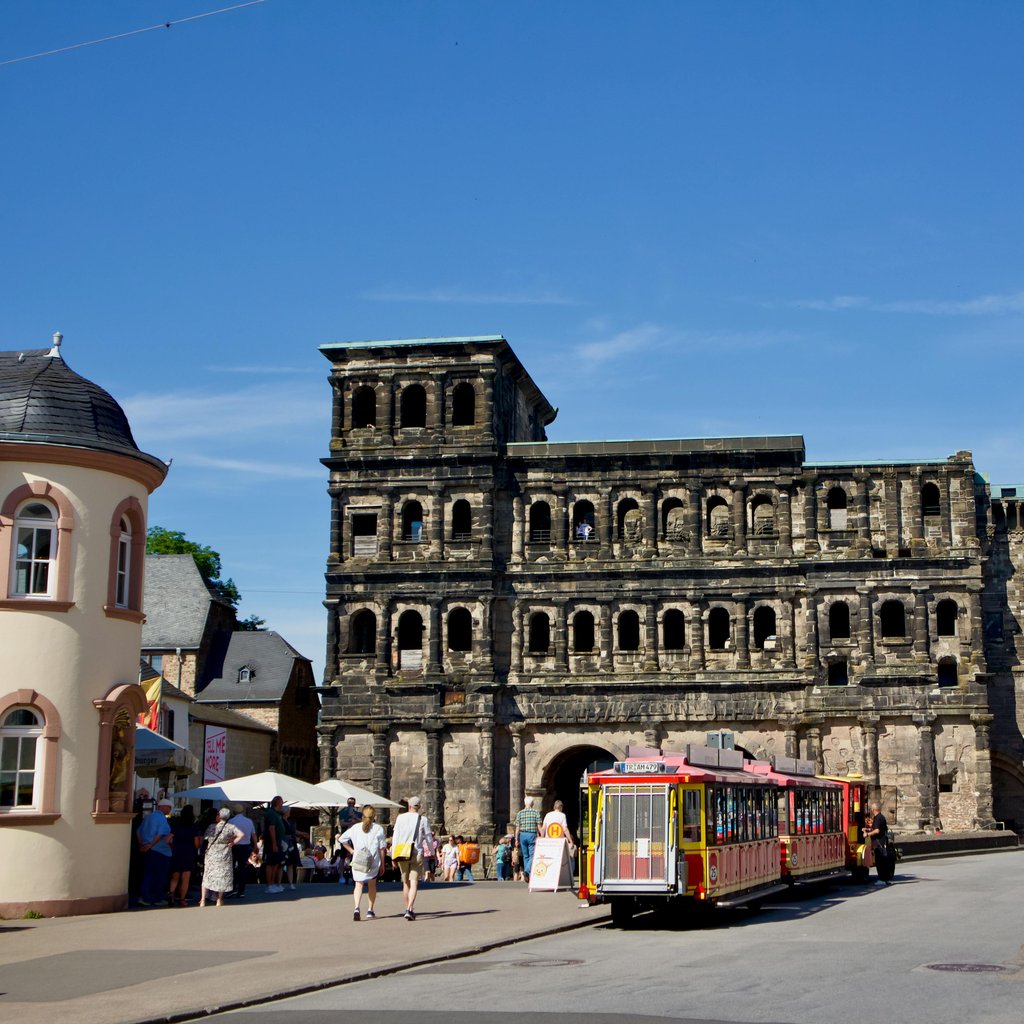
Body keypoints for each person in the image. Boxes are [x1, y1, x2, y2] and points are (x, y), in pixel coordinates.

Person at [389, 795, 434, 920]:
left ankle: (407, 909)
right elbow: (429, 838)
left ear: (409, 806)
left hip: (402, 852)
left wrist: (393, 855)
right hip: (416, 852)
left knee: (405, 883)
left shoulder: (400, 818)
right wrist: (432, 852)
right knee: (414, 882)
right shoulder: (423, 819)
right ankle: (410, 908)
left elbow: (396, 837)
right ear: (419, 807)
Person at [340, 804, 388, 921]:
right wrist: (382, 863)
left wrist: (352, 851)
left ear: (362, 815)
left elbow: (342, 839)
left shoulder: (356, 827)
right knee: (372, 884)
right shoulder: (378, 829)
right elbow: (382, 848)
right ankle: (370, 910)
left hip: (358, 859)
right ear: (374, 816)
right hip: (372, 860)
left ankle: (356, 907)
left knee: (358, 885)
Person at [201, 807, 243, 907]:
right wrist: (232, 842)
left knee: (208, 875)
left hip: (212, 852)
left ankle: (202, 900)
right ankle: (219, 900)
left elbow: (205, 838)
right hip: (224, 851)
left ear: (219, 816)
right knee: (222, 875)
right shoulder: (231, 827)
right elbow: (241, 834)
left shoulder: (212, 826)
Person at [137, 797, 174, 907]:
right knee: (160, 876)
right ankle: (157, 898)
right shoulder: (162, 819)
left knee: (148, 874)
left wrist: (142, 845)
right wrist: (150, 845)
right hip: (160, 851)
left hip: (147, 850)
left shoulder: (148, 817)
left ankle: (144, 897)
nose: (170, 810)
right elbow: (161, 833)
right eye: (169, 808)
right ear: (163, 807)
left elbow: (138, 831)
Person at [168, 804, 202, 906]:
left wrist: (172, 846)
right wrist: (198, 845)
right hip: (189, 853)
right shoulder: (193, 827)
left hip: (177, 852)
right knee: (185, 878)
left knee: (175, 876)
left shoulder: (177, 826)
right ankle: (182, 899)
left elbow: (167, 840)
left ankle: (171, 894)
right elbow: (196, 844)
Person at [227, 805, 257, 898]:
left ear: (233, 812)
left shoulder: (231, 821)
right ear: (243, 811)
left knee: (231, 868)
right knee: (243, 868)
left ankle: (232, 889)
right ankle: (241, 890)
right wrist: (255, 846)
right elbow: (253, 835)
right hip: (245, 846)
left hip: (234, 846)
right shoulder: (249, 821)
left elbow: (228, 835)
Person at [865, 801, 895, 886]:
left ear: (874, 809)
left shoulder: (878, 818)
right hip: (882, 842)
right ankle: (885, 879)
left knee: (880, 862)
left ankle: (882, 879)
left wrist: (868, 834)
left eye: (871, 809)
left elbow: (877, 830)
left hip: (878, 843)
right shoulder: (882, 817)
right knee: (884, 862)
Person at [514, 796, 542, 883]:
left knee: (525, 856)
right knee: (532, 855)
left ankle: (527, 875)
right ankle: (527, 871)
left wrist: (516, 839)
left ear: (525, 803)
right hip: (532, 835)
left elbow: (517, 828)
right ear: (532, 804)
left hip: (522, 835)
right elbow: (539, 826)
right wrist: (543, 835)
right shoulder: (536, 812)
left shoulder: (520, 813)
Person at [262, 795, 286, 893]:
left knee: (276, 863)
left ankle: (272, 883)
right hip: (272, 842)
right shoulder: (271, 813)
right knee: (270, 863)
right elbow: (271, 828)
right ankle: (269, 884)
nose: (282, 803)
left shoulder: (276, 813)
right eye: (281, 801)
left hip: (277, 841)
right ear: (277, 802)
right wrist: (274, 843)